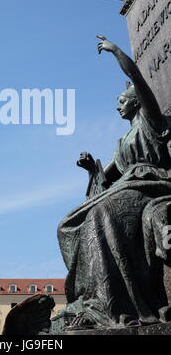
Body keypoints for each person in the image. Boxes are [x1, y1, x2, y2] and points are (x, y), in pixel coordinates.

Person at [56, 36, 171, 330]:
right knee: (68, 223)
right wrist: (89, 169)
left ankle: (110, 304)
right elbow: (105, 177)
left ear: (136, 103)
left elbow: (136, 77)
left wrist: (116, 51)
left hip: (150, 185)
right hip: (127, 187)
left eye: (121, 101)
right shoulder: (122, 143)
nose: (117, 107)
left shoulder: (151, 123)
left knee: (101, 214)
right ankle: (88, 299)